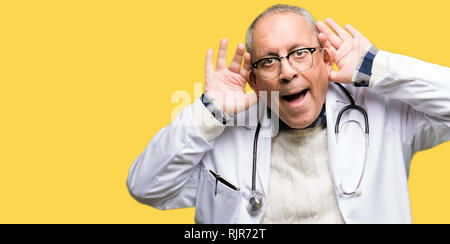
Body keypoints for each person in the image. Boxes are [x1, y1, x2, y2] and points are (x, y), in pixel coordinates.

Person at [126, 4, 450, 224]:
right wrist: (208, 113)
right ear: (253, 80)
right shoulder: (223, 133)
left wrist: (375, 67)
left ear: (326, 59)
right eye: (269, 60)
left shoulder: (384, 112)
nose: (287, 72)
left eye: (300, 53)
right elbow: (146, 186)